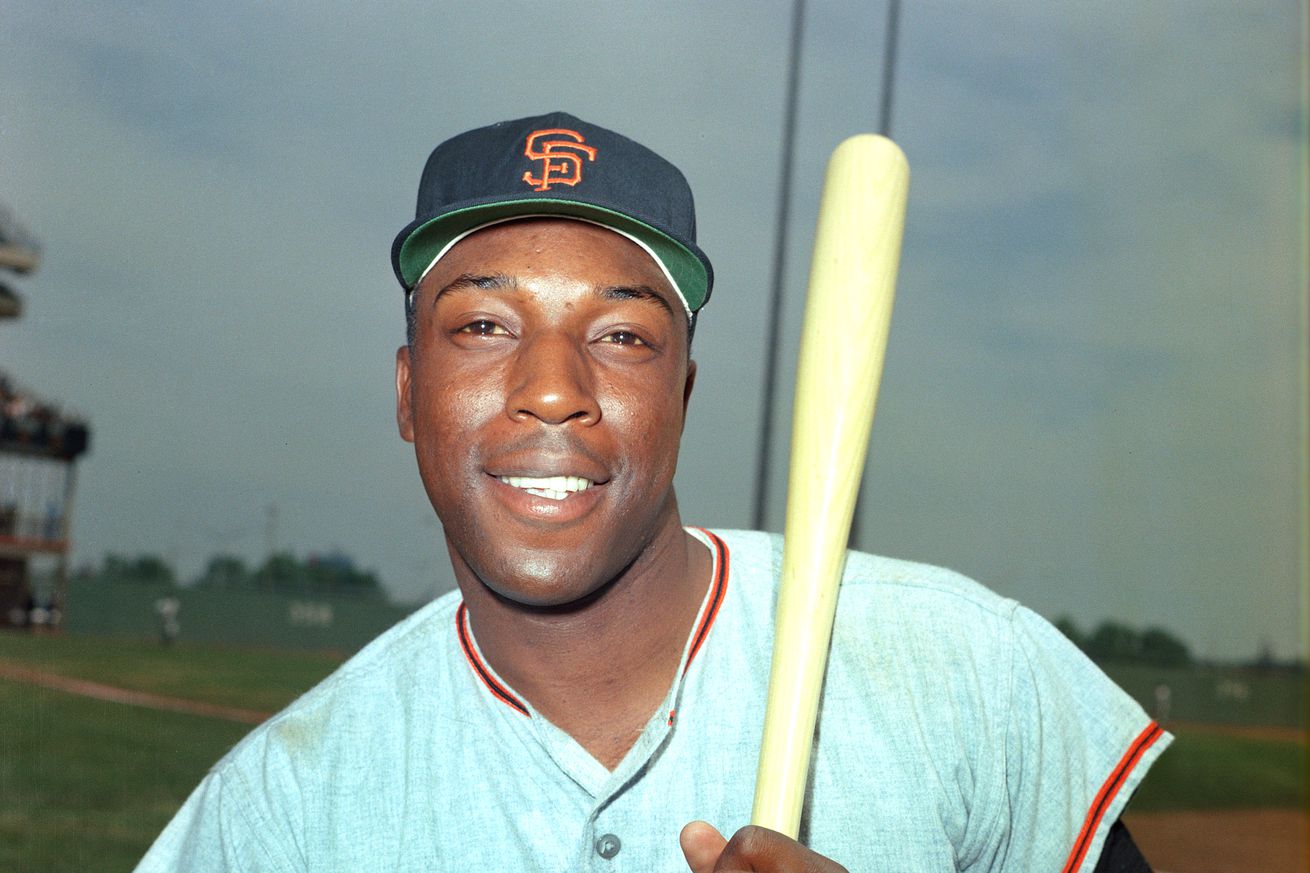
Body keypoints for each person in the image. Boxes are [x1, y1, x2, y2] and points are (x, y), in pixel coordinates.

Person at [136, 112, 1169, 872]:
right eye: (483, 326)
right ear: (409, 392)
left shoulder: (963, 673)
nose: (550, 390)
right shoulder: (281, 812)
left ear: (680, 394)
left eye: (621, 336)